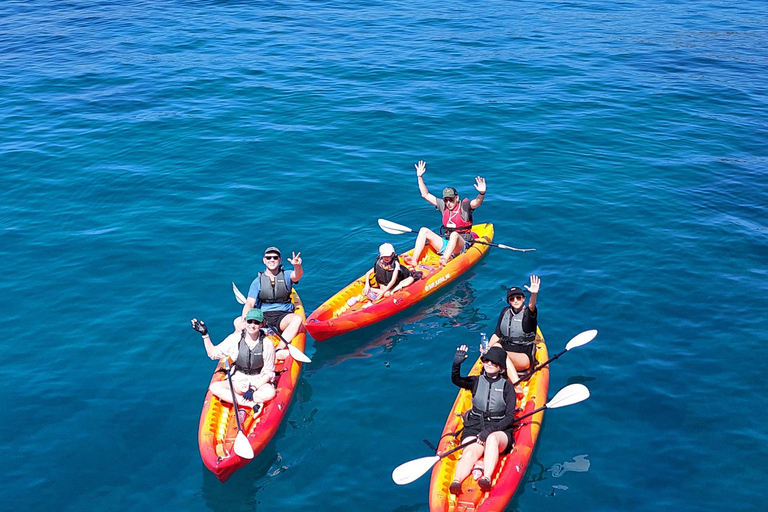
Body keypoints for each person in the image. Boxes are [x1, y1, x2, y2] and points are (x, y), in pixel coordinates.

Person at [450, 345, 517, 494]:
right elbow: (456, 380)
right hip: (474, 427)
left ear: (501, 367)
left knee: (492, 440)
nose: (489, 364)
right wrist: (456, 365)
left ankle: (486, 478)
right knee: (469, 453)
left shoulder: (507, 387)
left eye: (493, 362)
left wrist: (489, 431)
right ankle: (456, 481)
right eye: (486, 360)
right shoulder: (475, 381)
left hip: (498, 429)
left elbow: (509, 417)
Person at [192, 308, 276, 417]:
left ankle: (235, 398)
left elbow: (269, 372)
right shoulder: (234, 339)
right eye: (250, 321)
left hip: (259, 381)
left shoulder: (267, 344)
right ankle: (251, 404)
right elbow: (213, 354)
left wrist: (253, 389)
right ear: (245, 322)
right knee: (214, 387)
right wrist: (205, 335)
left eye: (256, 322)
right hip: (238, 380)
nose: (252, 325)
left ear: (261, 324)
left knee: (270, 393)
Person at [403, 160, 486, 267]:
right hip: (447, 244)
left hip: (461, 245)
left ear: (457, 198)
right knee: (424, 230)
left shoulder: (465, 206)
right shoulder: (443, 206)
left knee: (455, 235)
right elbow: (425, 195)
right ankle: (414, 259)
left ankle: (445, 260)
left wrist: (481, 193)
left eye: (451, 200)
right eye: (446, 200)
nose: (448, 203)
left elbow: (477, 202)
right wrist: (419, 177)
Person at [236, 246, 304, 359]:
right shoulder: (257, 282)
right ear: (264, 260)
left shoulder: (287, 275)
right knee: (238, 322)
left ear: (280, 260)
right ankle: (237, 350)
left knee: (297, 319)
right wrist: (245, 320)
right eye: (268, 257)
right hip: (263, 317)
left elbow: (297, 276)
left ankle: (279, 349)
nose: (272, 260)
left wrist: (297, 266)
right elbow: (249, 303)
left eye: (275, 257)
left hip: (283, 315)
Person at [488, 275, 540, 378]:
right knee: (494, 349)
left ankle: (517, 384)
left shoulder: (528, 313)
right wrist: (487, 350)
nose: (515, 300)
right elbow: (497, 334)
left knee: (498, 351)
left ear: (523, 299)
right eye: (512, 299)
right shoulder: (505, 312)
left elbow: (531, 307)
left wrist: (534, 294)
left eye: (518, 298)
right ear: (509, 302)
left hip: (523, 355)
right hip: (504, 348)